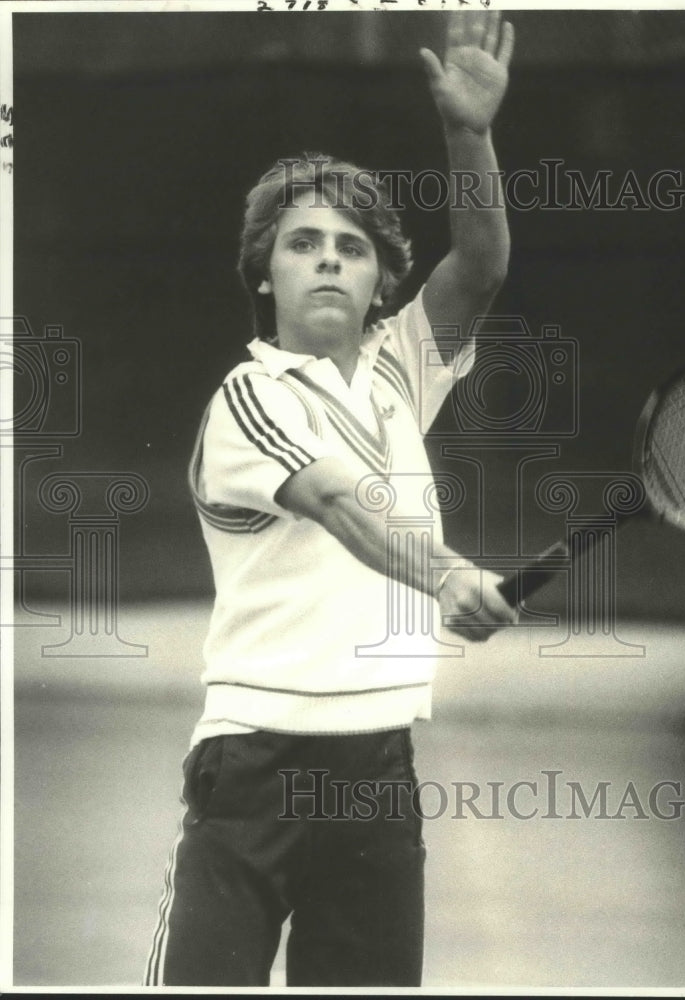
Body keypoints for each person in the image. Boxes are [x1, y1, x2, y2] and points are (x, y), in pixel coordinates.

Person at [144, 11, 516, 988]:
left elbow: (477, 266)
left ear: (378, 280)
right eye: (301, 242)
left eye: (350, 248)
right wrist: (444, 573)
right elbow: (340, 504)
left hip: (377, 770)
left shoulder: (400, 371)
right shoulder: (249, 397)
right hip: (250, 768)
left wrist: (469, 132)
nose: (325, 258)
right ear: (262, 274)